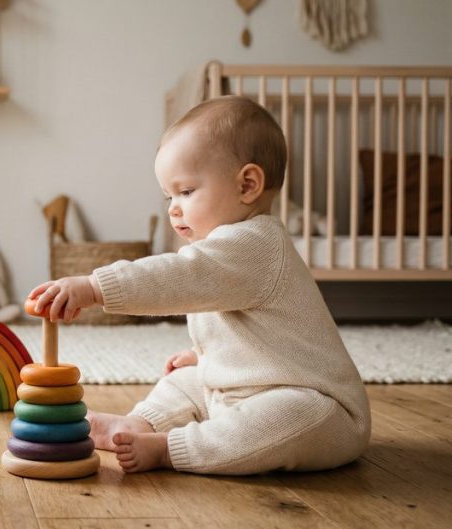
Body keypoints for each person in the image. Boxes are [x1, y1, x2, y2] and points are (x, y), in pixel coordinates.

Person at [29, 96, 371, 475]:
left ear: (248, 184)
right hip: (242, 391)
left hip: (320, 408)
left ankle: (171, 449)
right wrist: (206, 356)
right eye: (168, 196)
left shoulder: (256, 243)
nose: (173, 208)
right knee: (186, 381)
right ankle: (141, 423)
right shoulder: (221, 252)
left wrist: (95, 286)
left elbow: (176, 277)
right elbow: (249, 332)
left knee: (285, 417)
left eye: (186, 192)